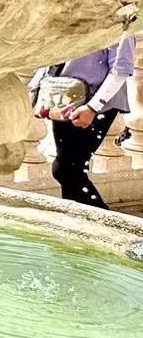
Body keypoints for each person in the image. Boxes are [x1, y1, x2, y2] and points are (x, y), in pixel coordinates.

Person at [30, 37, 134, 209]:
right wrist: (34, 88)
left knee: (66, 170)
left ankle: (106, 224)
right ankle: (77, 223)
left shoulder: (123, 18)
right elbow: (49, 55)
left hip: (97, 105)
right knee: (69, 170)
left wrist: (92, 108)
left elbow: (121, 69)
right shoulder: (67, 14)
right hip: (63, 96)